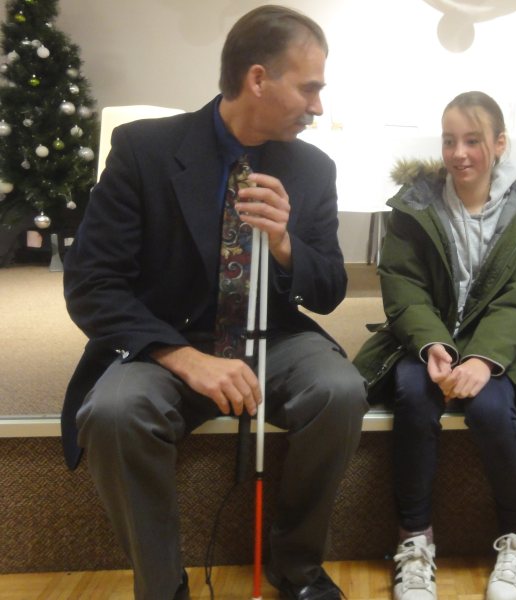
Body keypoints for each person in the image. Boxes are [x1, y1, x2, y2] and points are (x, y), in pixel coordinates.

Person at [61, 6, 368, 600]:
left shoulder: (312, 168)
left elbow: (329, 289)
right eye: (310, 87)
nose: (318, 106)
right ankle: (162, 587)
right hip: (168, 342)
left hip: (276, 338)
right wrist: (183, 356)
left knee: (340, 390)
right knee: (113, 413)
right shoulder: (145, 150)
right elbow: (92, 283)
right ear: (258, 79)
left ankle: (297, 566)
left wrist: (284, 245)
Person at [354, 91, 516, 600]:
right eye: (449, 141)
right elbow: (402, 284)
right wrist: (432, 345)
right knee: (415, 397)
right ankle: (414, 540)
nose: (459, 153)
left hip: (496, 349)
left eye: (472, 140)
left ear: (499, 144)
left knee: (491, 409)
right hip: (426, 342)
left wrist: (485, 359)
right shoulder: (413, 207)